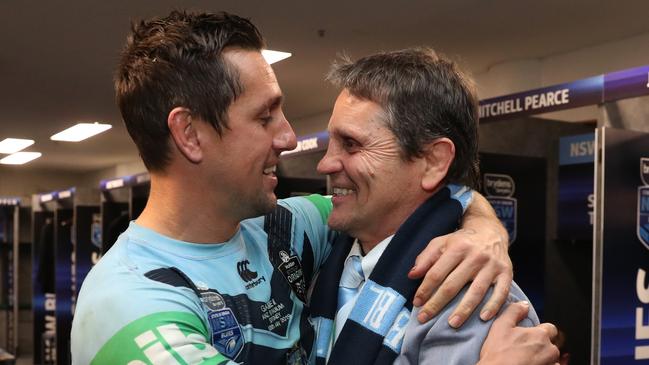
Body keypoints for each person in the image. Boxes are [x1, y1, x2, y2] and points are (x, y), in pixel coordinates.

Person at [70, 11, 550, 365]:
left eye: (351, 143)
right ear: (190, 134)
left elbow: (407, 206)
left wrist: (481, 229)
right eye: (264, 117)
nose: (290, 139)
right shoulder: (132, 302)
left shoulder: (288, 231)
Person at [310, 48, 559, 365]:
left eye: (351, 144)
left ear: (433, 161)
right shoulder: (319, 257)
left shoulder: (471, 300)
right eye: (330, 143)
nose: (325, 164)